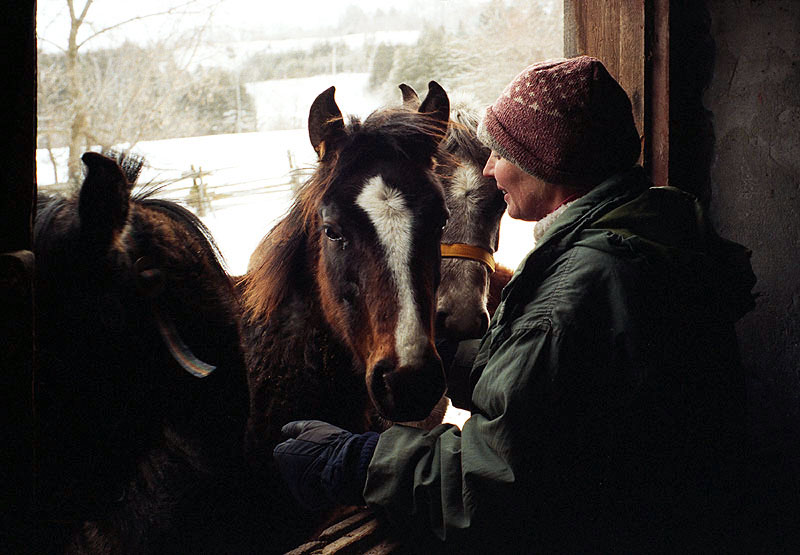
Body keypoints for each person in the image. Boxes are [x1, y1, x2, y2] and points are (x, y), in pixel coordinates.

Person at [273, 56, 757, 552]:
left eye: (501, 152)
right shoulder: (649, 232)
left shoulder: (584, 282)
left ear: (548, 163)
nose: (487, 168)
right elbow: (561, 386)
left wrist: (356, 462)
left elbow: (491, 486)